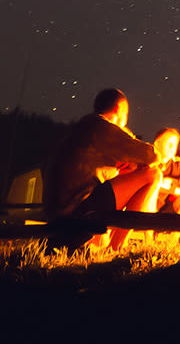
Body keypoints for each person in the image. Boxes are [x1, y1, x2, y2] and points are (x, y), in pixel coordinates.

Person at [42, 88, 162, 249]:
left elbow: (99, 173)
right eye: (126, 116)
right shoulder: (100, 127)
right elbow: (152, 155)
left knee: (129, 176)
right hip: (76, 212)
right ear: (118, 109)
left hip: (59, 212)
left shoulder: (82, 128)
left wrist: (126, 168)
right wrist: (134, 150)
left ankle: (101, 243)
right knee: (153, 174)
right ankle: (116, 247)